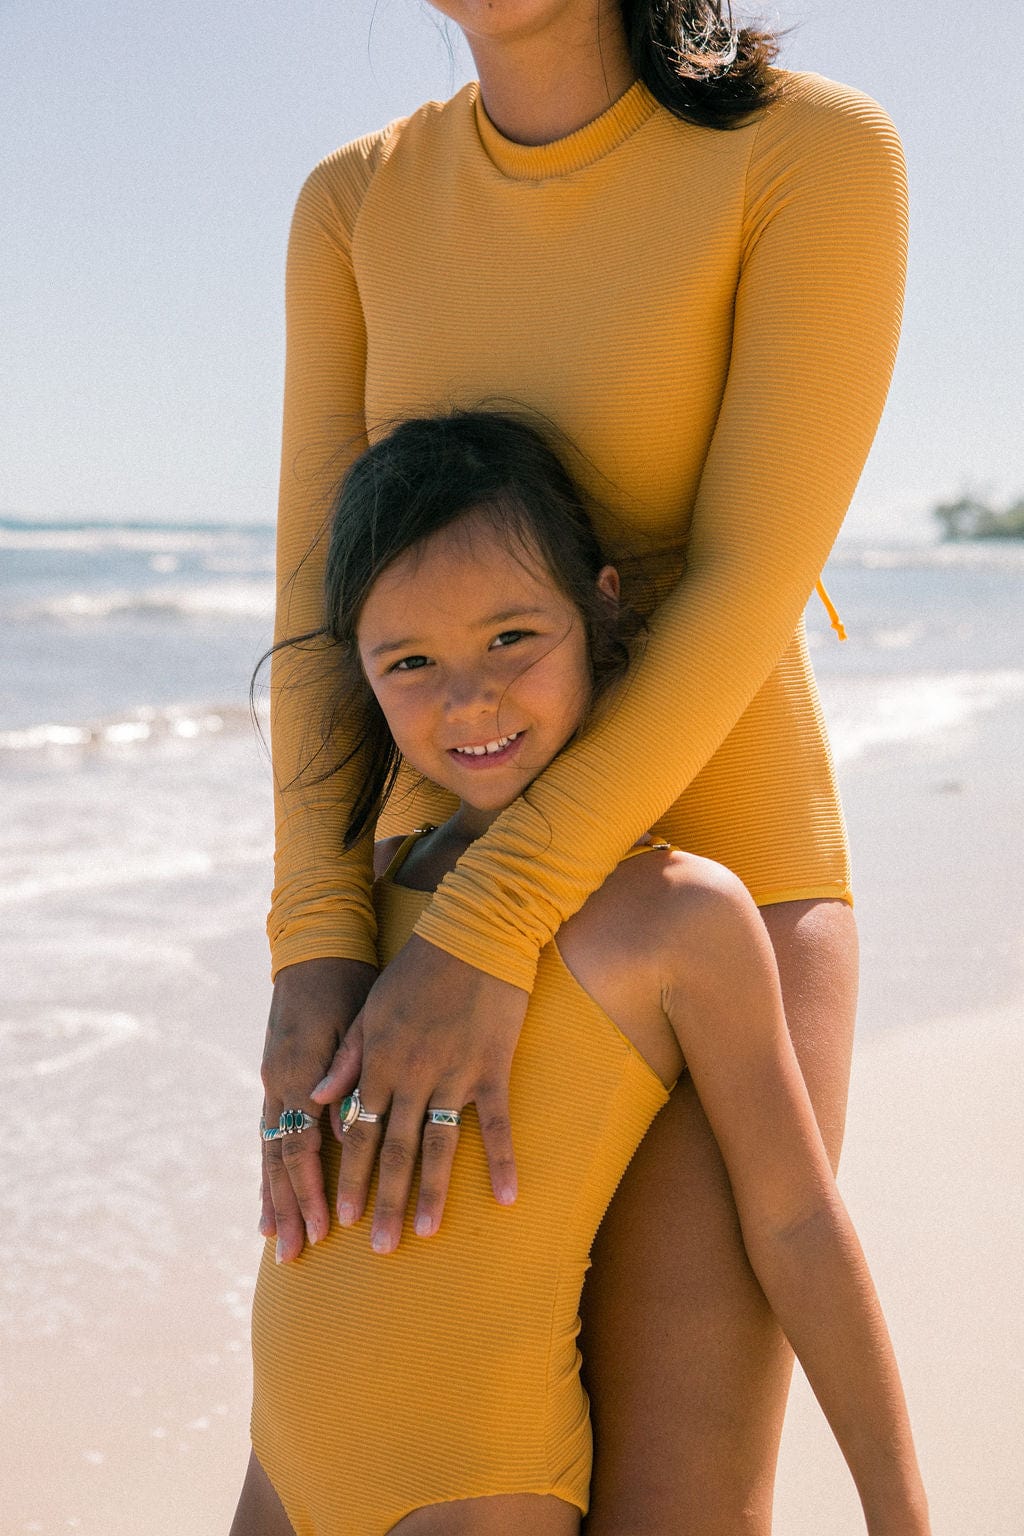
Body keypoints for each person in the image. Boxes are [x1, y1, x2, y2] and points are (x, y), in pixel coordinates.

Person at [258, 3, 910, 1529]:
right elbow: (315, 608)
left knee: (678, 1504)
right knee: (383, 1428)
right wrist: (314, 944)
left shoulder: (811, 155)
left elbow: (753, 581)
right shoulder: (353, 203)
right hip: (427, 901)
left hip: (726, 870)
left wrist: (501, 919)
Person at [235, 411, 928, 1536]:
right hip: (282, 1465)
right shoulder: (360, 902)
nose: (471, 700)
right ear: (357, 671)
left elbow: (796, 1222)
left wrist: (900, 1516)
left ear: (600, 604)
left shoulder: (676, 914)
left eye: (513, 638)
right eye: (409, 661)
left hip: (473, 1491)